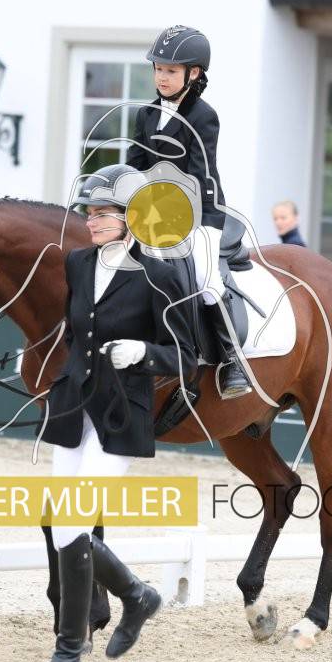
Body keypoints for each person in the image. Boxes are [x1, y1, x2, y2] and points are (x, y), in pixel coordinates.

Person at [32, 164, 197, 662]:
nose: (92, 220)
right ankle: (136, 595)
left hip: (121, 412)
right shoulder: (78, 262)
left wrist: (143, 352)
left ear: (132, 218)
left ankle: (69, 653)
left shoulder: (158, 276)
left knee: (72, 523)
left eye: (104, 213)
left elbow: (187, 356)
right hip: (72, 408)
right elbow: (73, 330)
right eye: (90, 212)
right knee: (64, 525)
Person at [124, 25, 252, 399]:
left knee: (205, 278)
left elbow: (198, 174)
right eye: (158, 69)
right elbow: (134, 163)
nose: (162, 77)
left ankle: (232, 361)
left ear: (193, 73)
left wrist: (163, 207)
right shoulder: (147, 114)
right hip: (153, 212)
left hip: (199, 211)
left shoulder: (203, 116)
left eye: (170, 70)